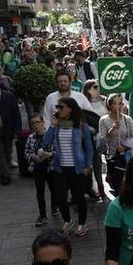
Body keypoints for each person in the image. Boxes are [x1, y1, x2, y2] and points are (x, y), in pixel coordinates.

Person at [43, 97, 95, 237]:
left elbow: (89, 148)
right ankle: (68, 220)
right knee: (59, 197)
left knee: (79, 198)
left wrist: (88, 165)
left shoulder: (81, 125)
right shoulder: (57, 125)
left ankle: (82, 224)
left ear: (70, 109)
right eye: (57, 107)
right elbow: (46, 142)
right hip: (60, 168)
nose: (58, 110)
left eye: (61, 107)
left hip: (77, 168)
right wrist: (52, 126)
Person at [98, 94, 133, 197]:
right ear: (109, 105)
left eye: (120, 103)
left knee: (130, 185)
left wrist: (125, 146)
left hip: (127, 157)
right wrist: (112, 130)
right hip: (113, 157)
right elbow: (103, 141)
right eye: (115, 104)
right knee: (117, 186)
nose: (118, 106)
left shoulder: (127, 119)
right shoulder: (104, 120)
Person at [24, 114, 54, 226]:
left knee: (54, 189)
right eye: (33, 123)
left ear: (43, 123)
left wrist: (48, 155)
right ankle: (42, 214)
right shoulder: (31, 137)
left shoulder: (50, 135)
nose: (36, 125)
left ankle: (54, 206)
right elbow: (26, 152)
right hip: (37, 168)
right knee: (40, 192)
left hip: (50, 167)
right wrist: (32, 157)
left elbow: (56, 151)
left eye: (37, 122)